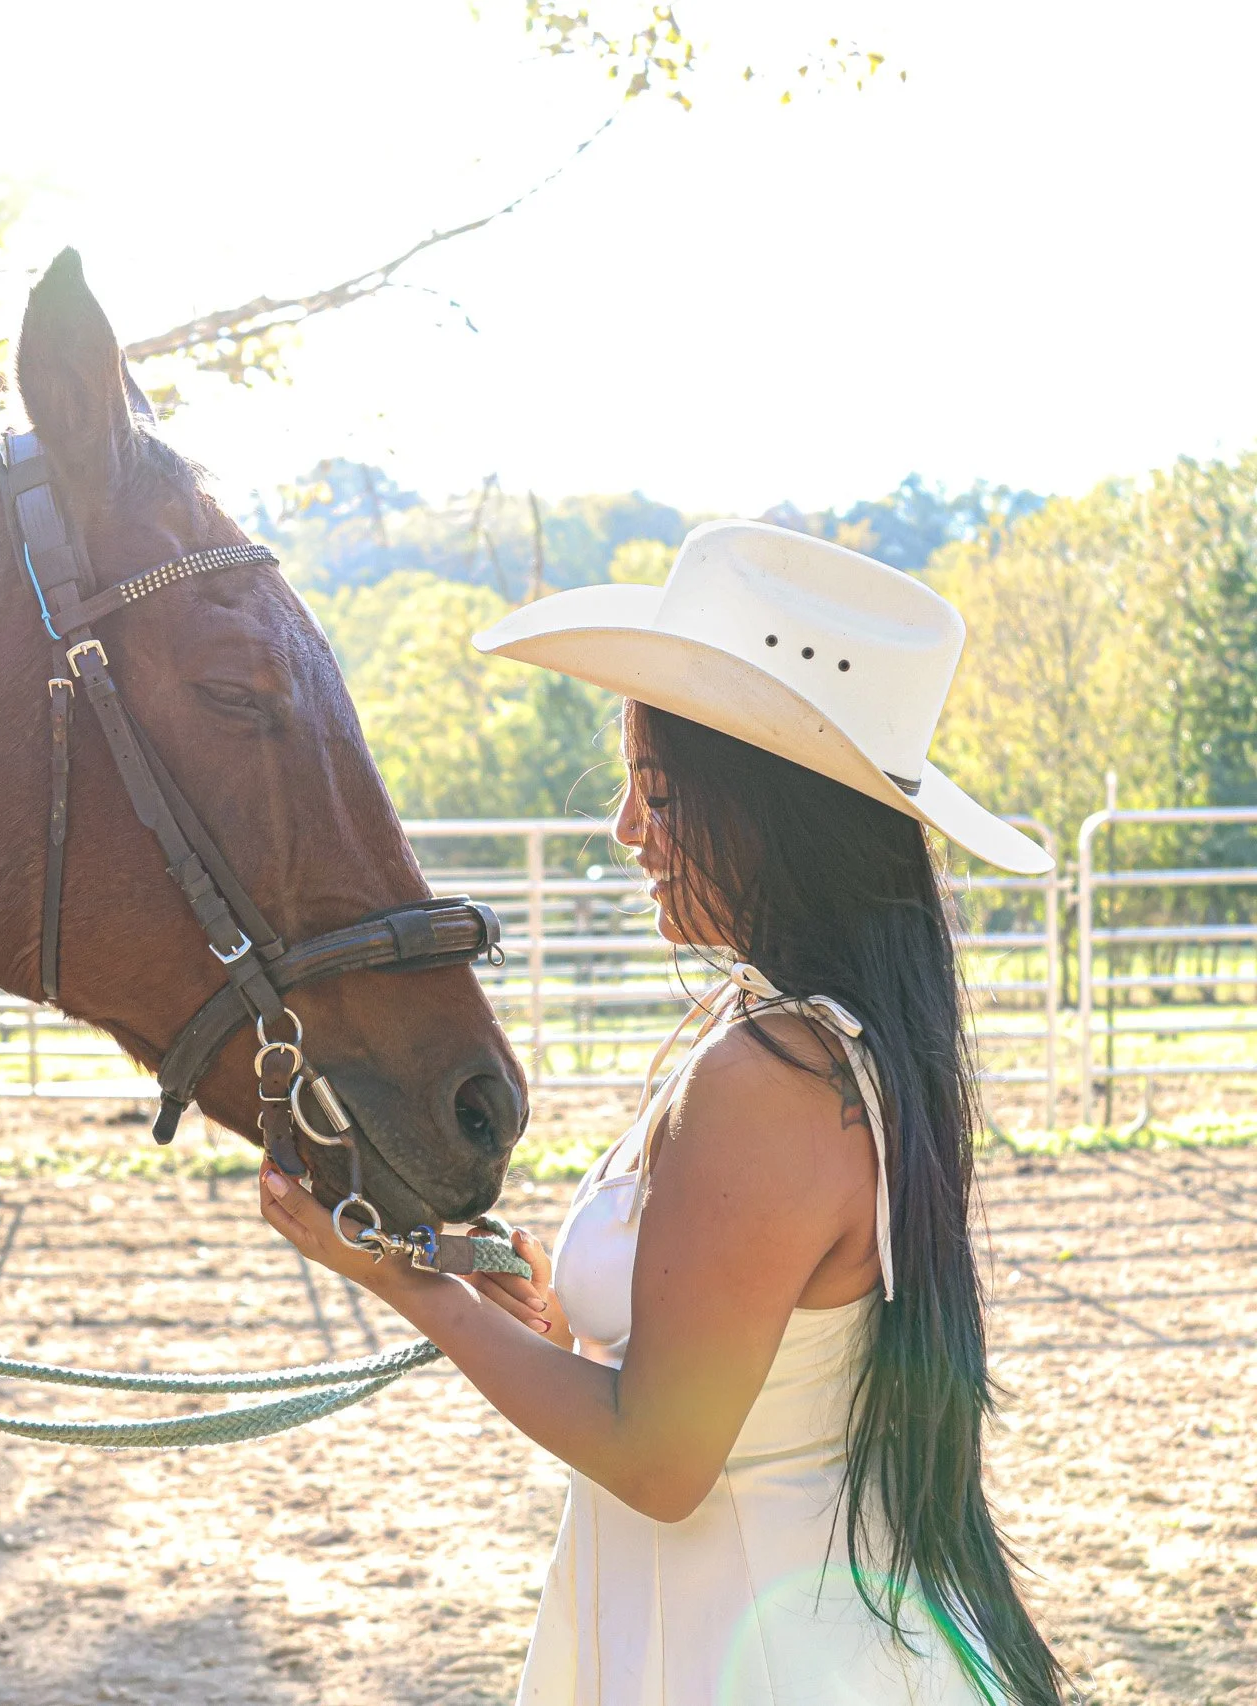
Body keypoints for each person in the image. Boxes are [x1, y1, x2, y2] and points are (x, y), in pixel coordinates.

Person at [259, 521, 1065, 1705]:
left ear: (766, 814)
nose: (624, 831)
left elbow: (659, 1456)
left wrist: (404, 1284)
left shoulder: (764, 1075)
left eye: (655, 792)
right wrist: (552, 1318)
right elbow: (745, 1375)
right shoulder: (831, 1046)